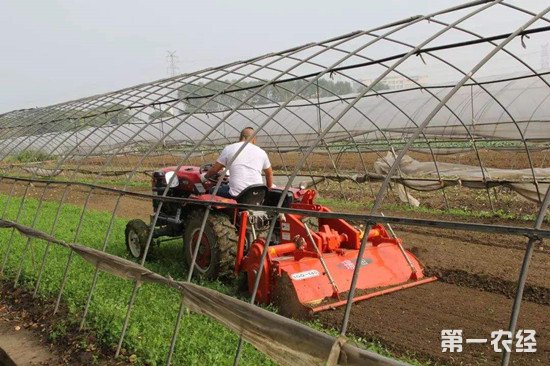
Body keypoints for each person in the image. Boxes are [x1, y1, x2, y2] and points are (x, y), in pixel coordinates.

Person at [202, 127, 273, 199]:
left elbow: (214, 170)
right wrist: (269, 190)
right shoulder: (262, 152)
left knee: (211, 191)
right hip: (257, 194)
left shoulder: (229, 149)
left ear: (240, 137)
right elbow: (269, 174)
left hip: (237, 194)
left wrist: (204, 177)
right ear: (254, 139)